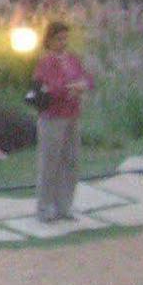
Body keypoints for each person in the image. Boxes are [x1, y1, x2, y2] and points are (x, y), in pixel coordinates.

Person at [30, 20, 92, 221]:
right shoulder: (45, 62)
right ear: (50, 40)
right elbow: (47, 87)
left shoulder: (72, 59)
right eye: (59, 38)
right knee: (50, 162)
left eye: (65, 38)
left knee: (70, 160)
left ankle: (64, 205)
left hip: (72, 114)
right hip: (53, 117)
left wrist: (82, 85)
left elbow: (86, 78)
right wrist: (68, 88)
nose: (63, 42)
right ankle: (45, 206)